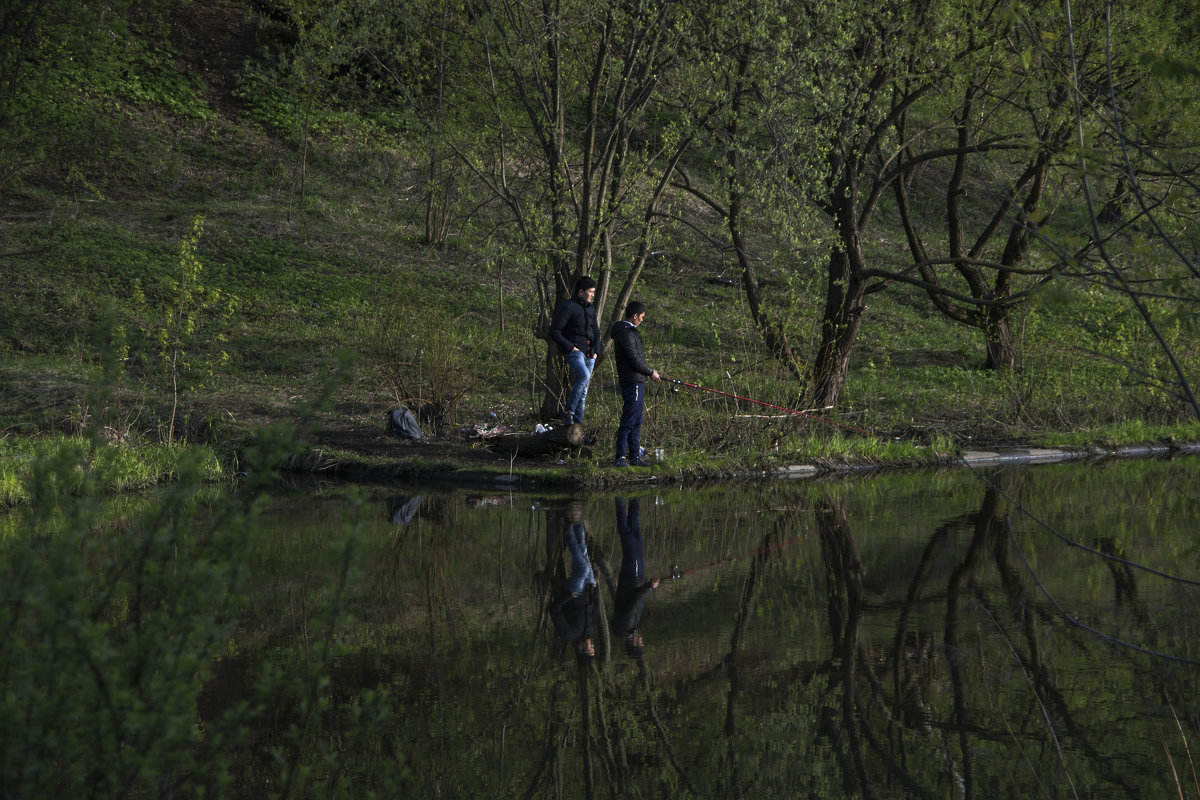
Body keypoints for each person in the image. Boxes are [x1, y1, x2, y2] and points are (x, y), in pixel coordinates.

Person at [610, 300, 661, 468]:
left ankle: (634, 455)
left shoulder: (631, 332)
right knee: (629, 419)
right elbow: (634, 359)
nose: (642, 320)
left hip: (638, 381)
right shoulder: (625, 333)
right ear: (634, 316)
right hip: (632, 382)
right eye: (641, 317)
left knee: (637, 420)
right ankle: (620, 457)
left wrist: (647, 373)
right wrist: (651, 372)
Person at [548, 276, 601, 427]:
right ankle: (568, 412)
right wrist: (571, 347)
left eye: (594, 292)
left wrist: (596, 351)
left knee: (583, 391)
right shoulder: (567, 306)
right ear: (581, 291)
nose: (592, 295)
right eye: (590, 292)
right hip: (575, 351)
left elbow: (596, 332)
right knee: (583, 375)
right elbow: (554, 332)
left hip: (591, 354)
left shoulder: (591, 308)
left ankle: (576, 426)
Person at [611, 496, 659, 657]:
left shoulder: (625, 626)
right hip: (637, 578)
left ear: (634, 643)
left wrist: (649, 588)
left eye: (641, 642)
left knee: (628, 537)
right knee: (636, 534)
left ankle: (619, 500)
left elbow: (633, 601)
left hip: (632, 578)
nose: (641, 638)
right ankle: (636, 497)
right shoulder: (631, 627)